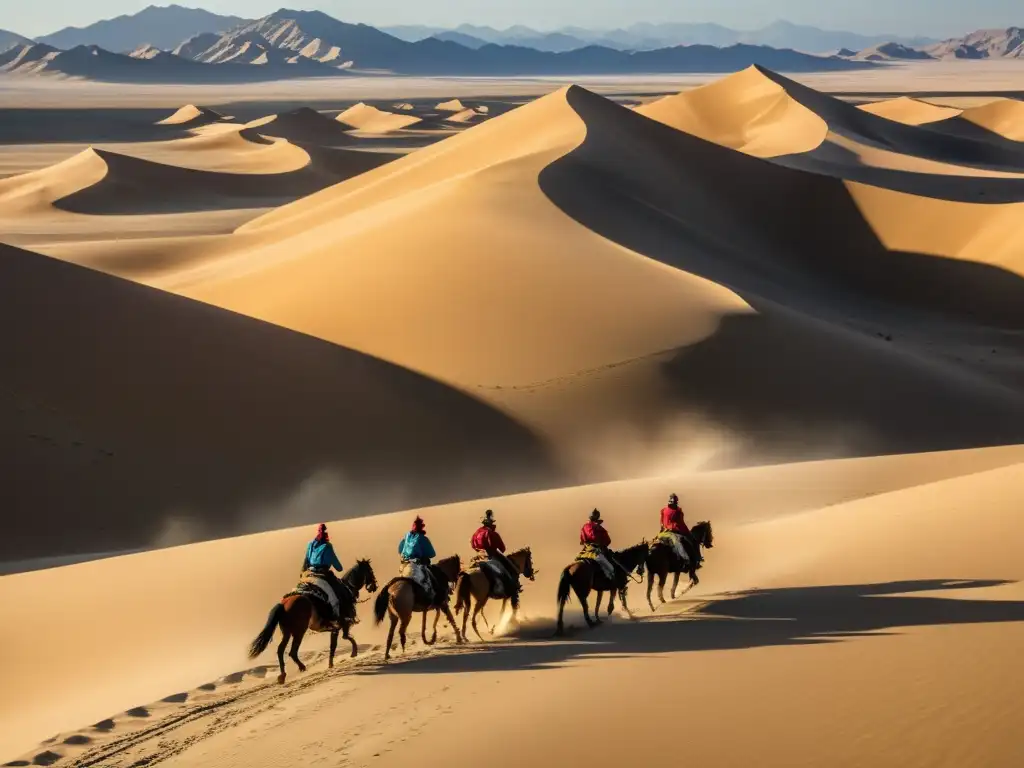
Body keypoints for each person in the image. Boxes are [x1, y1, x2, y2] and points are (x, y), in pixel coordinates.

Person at [471, 509, 520, 605]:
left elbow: (473, 545)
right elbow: (502, 548)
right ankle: (513, 589)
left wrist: (479, 552)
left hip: (479, 556)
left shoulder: (476, 533)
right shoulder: (491, 533)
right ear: (491, 523)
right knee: (512, 569)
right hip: (491, 556)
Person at [301, 523, 345, 622]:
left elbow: (306, 560)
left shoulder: (310, 544)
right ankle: (335, 618)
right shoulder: (327, 546)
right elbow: (338, 567)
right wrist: (339, 568)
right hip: (321, 576)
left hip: (308, 574)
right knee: (333, 597)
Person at [397, 516, 439, 603]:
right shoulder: (423, 538)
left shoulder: (406, 537)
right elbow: (432, 554)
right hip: (418, 565)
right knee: (433, 579)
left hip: (404, 564)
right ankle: (433, 598)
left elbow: (399, 550)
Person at [660, 493, 702, 577]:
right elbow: (681, 524)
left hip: (663, 533)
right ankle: (691, 561)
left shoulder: (663, 510)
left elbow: (661, 523)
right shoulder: (678, 511)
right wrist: (688, 533)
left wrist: (663, 530)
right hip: (675, 532)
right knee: (690, 542)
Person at [579, 508, 620, 582]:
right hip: (596, 551)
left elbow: (582, 540)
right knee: (610, 567)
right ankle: (611, 581)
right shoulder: (598, 528)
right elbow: (608, 540)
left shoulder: (584, 527)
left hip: (585, 551)